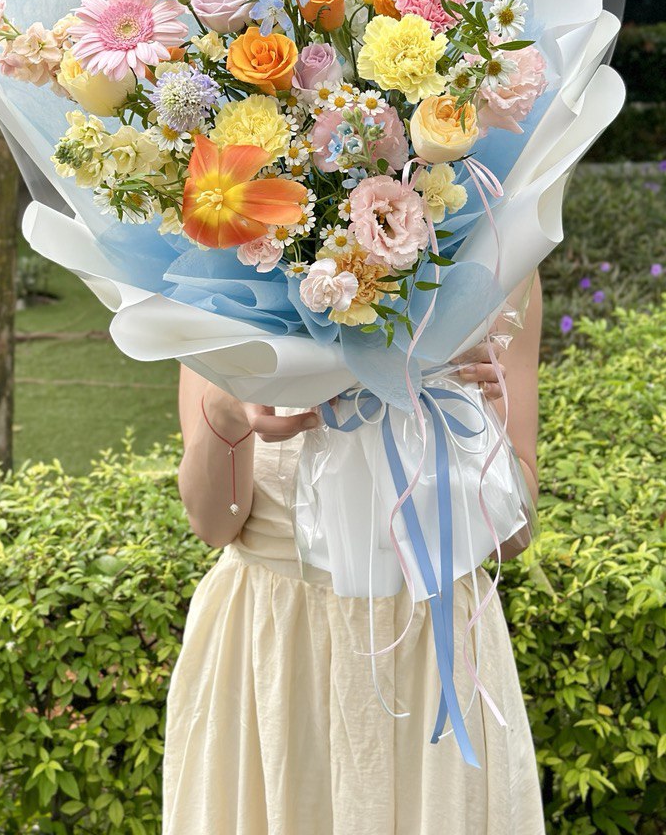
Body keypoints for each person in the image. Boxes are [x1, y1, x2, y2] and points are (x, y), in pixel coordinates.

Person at [162, 271, 545, 835]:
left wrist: (470, 414)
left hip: (432, 651)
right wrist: (225, 406)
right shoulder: (222, 268)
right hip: (269, 650)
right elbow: (214, 524)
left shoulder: (492, 265)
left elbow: (516, 536)